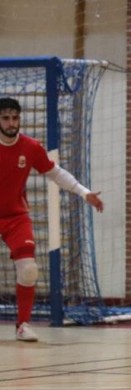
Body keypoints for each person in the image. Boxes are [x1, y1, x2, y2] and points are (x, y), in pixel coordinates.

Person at [0, 97, 104, 342]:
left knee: (28, 270)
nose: (11, 122)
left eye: (15, 117)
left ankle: (22, 325)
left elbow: (55, 173)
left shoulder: (31, 147)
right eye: (5, 118)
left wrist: (83, 191)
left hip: (16, 216)